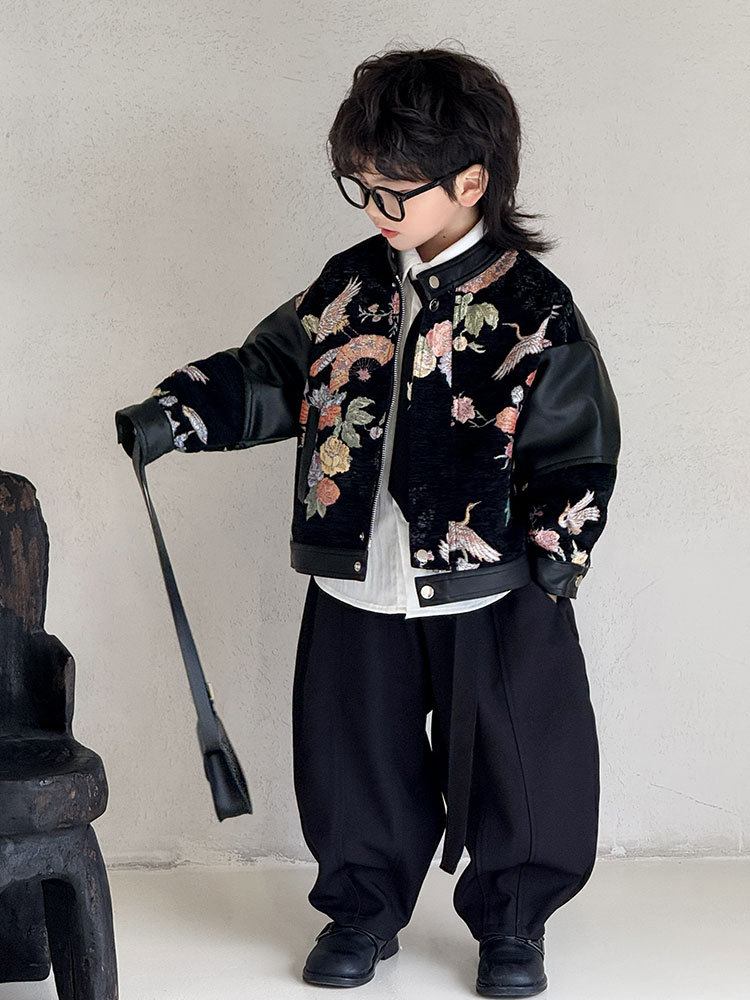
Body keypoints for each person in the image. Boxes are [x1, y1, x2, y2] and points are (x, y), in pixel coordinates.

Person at [116, 45, 621, 997]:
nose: (376, 209)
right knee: (352, 749)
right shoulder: (348, 284)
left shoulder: (533, 304)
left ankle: (514, 921)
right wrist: (174, 415)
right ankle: (360, 906)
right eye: (362, 187)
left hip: (494, 580)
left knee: (522, 756)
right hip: (359, 568)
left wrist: (557, 558)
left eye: (394, 191)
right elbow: (272, 372)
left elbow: (576, 439)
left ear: (471, 181)